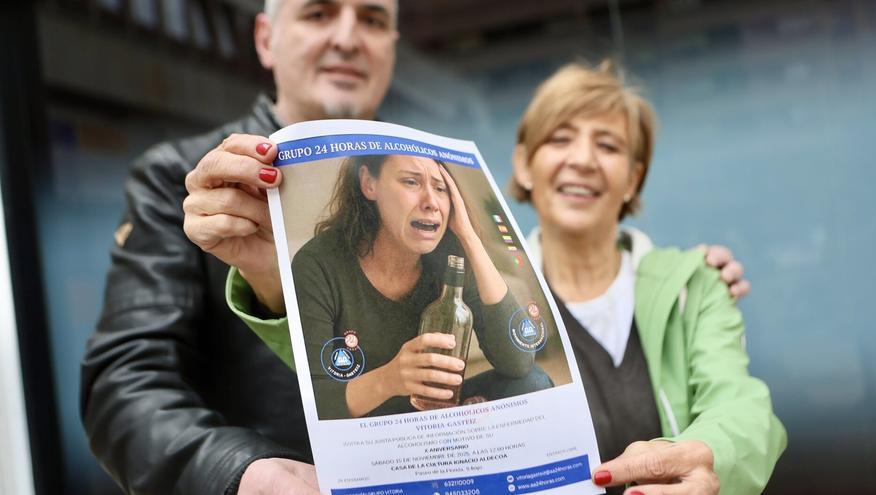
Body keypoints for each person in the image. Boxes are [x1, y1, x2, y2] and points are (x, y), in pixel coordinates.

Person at [80, 0, 751, 493]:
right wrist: (245, 472)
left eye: (372, 19)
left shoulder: (426, 193)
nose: (348, 37)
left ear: (394, 45)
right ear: (266, 37)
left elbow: (518, 353)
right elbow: (123, 381)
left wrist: (681, 276)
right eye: (319, 13)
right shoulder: (187, 177)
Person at [506, 62, 786, 494]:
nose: (582, 160)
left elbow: (741, 406)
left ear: (633, 180)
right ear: (524, 165)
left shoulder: (694, 285)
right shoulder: (491, 298)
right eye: (560, 139)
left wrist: (709, 455)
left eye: (608, 146)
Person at [257, 154, 548, 419]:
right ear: (369, 184)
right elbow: (314, 403)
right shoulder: (317, 264)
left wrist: (469, 236)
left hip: (437, 417)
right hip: (368, 432)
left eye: (441, 188)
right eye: (411, 181)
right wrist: (391, 379)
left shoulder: (451, 256)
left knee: (533, 383)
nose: (431, 201)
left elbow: (519, 363)